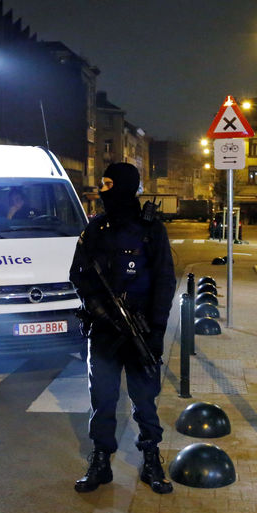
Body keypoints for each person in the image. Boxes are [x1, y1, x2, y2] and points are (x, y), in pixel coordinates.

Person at [69, 163, 177, 494]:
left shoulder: (150, 229)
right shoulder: (95, 229)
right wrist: (99, 309)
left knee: (145, 399)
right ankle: (101, 460)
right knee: (102, 398)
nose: (103, 190)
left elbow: (164, 280)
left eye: (108, 183)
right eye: (102, 184)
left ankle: (150, 459)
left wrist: (156, 330)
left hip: (140, 330)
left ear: (126, 186)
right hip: (103, 331)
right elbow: (79, 275)